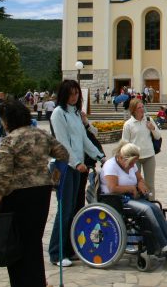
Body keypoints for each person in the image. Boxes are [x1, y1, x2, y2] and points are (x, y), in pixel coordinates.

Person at [0, 99, 69, 287]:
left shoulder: (10, 140)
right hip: (41, 194)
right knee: (33, 242)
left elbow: (4, 176)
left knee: (15, 244)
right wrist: (54, 176)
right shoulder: (41, 134)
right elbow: (63, 154)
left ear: (8, 120)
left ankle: (21, 282)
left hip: (17, 196)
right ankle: (37, 281)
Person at [48, 80, 105, 267]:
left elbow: (84, 140)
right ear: (64, 94)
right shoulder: (59, 114)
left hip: (77, 167)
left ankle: (70, 249)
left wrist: (100, 156)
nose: (74, 97)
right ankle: (57, 253)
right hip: (64, 167)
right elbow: (62, 142)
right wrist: (77, 162)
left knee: (74, 209)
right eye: (71, 94)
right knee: (64, 210)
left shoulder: (74, 113)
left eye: (76, 94)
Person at [100, 142, 167, 255]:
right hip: (117, 200)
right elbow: (113, 188)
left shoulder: (131, 164)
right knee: (147, 210)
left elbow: (139, 179)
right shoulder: (111, 166)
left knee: (155, 208)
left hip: (132, 197)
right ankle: (162, 243)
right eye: (131, 162)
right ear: (122, 158)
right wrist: (131, 188)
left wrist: (141, 184)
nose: (133, 165)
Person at [121, 99, 161, 200]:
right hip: (135, 158)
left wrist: (152, 128)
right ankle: (138, 205)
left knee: (150, 184)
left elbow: (158, 136)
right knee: (135, 183)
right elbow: (125, 142)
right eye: (139, 108)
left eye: (142, 107)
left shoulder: (148, 120)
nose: (142, 109)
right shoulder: (128, 124)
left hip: (149, 155)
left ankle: (151, 204)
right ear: (133, 110)